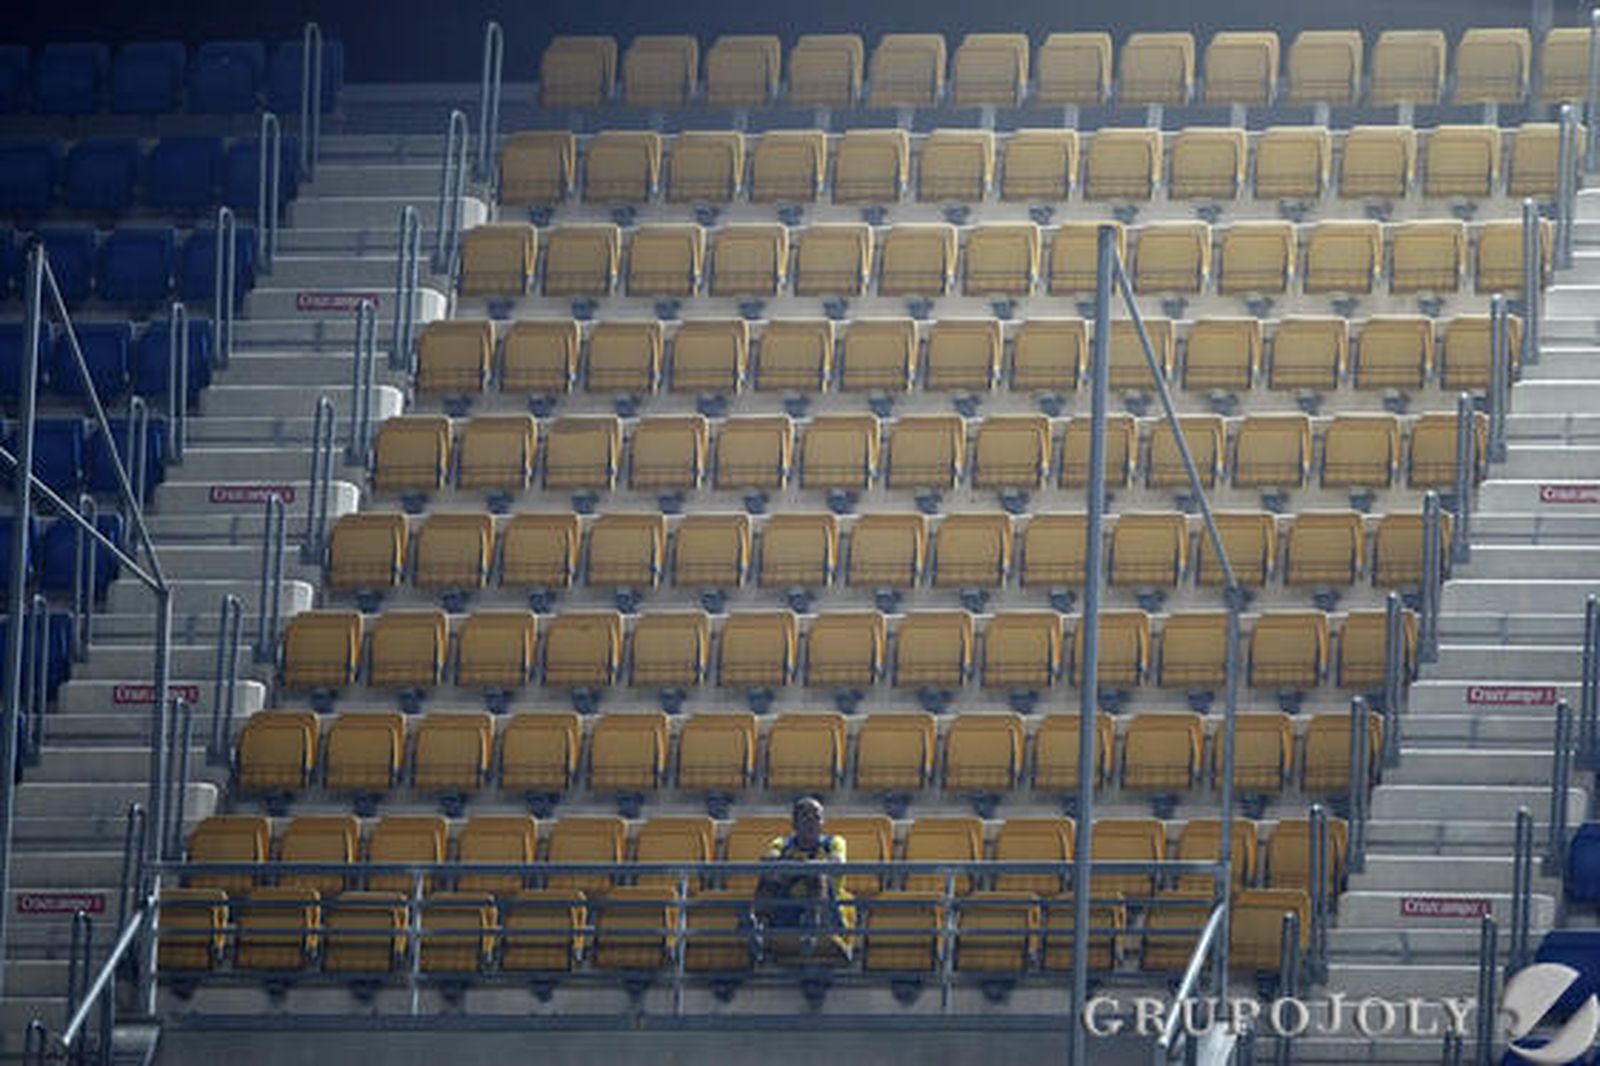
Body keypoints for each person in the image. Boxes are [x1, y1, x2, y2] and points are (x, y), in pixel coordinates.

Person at [754, 797, 849, 947]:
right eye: (805, 817)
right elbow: (770, 861)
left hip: (827, 909)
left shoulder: (834, 842)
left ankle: (813, 927)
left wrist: (800, 867)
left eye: (816, 818)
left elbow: (837, 863)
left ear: (823, 822)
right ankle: (759, 925)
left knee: (816, 873)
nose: (811, 823)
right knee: (768, 877)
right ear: (794, 823)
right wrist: (799, 868)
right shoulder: (782, 843)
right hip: (789, 903)